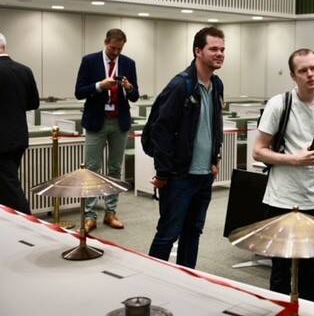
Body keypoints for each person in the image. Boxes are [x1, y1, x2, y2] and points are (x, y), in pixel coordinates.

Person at [253, 48, 314, 302]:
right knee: (280, 273)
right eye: (303, 70)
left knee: (310, 273)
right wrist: (294, 159)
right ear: (293, 76)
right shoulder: (279, 104)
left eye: (313, 68)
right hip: (284, 201)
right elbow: (258, 152)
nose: (310, 74)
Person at [148, 26, 225, 269]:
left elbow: (214, 125)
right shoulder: (180, 85)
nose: (220, 53)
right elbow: (161, 131)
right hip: (180, 176)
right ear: (197, 51)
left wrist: (215, 159)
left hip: (204, 177)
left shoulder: (217, 85)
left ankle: (187, 281)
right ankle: (151, 280)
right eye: (213, 48)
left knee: (193, 234)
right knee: (168, 234)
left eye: (223, 49)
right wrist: (163, 172)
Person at [75, 28, 139, 232]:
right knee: (92, 169)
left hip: (119, 122)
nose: (115, 53)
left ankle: (110, 213)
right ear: (105, 42)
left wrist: (129, 88)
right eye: (113, 48)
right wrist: (99, 85)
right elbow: (79, 92)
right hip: (96, 121)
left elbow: (136, 95)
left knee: (114, 169)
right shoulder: (90, 61)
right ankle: (90, 215)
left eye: (119, 49)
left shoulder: (128, 63)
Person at [0, 33, 39, 214]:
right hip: (19, 137)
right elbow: (33, 103)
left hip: (2, 142)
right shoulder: (25, 70)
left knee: (10, 187)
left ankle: (29, 224)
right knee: (7, 185)